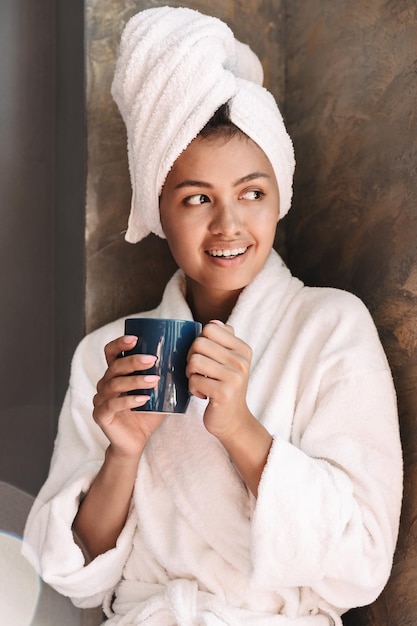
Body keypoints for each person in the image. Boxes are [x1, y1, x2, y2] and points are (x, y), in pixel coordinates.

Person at [23, 6, 402, 625]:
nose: (229, 226)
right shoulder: (105, 356)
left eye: (252, 193)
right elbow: (72, 576)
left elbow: (361, 563)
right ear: (158, 210)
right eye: (197, 198)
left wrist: (240, 429)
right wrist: (123, 452)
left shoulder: (332, 326)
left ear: (279, 196)